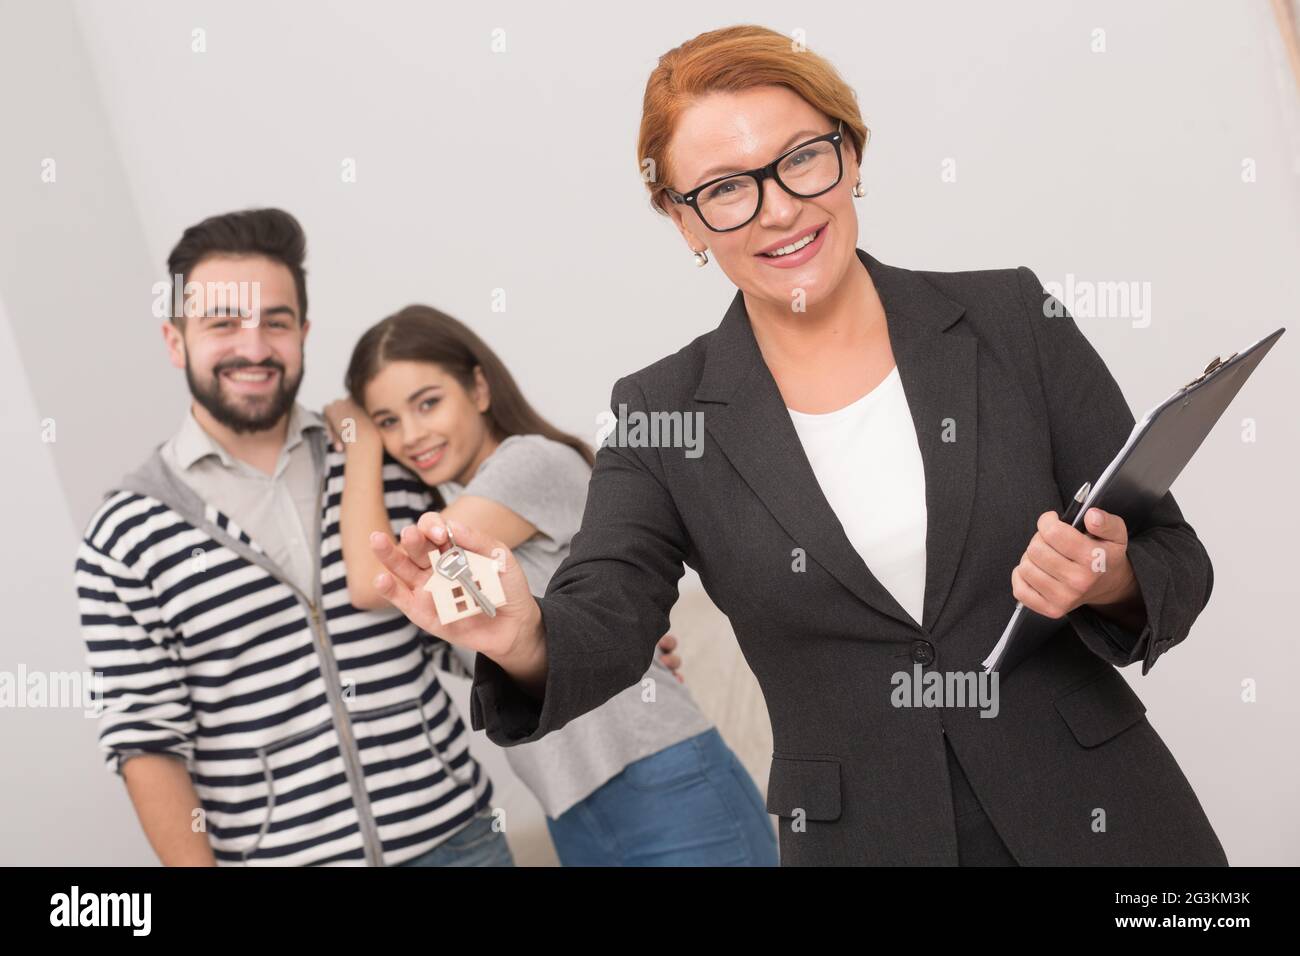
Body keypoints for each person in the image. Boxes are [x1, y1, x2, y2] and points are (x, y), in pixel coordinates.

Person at [365, 25, 1230, 867]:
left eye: (801, 158)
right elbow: (608, 610)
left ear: (850, 154)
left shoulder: (1012, 318)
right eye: (725, 189)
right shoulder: (663, 412)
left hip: (1100, 809)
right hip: (867, 836)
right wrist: (523, 638)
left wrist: (1111, 578)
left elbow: (1172, 556)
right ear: (684, 222)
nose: (779, 208)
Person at [73, 208, 509, 866]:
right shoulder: (126, 536)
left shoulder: (386, 463)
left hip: (460, 840)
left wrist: (591, 642)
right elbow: (147, 745)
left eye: (274, 322)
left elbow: (468, 639)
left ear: (302, 333)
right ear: (174, 339)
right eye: (222, 324)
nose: (253, 348)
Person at [324, 305, 777, 866]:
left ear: (480, 388)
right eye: (387, 420)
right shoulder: (457, 518)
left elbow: (373, 582)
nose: (412, 435)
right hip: (573, 811)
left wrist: (361, 442)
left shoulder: (528, 464)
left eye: (427, 403)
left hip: (663, 781)